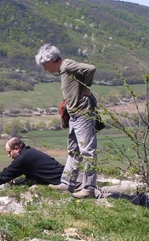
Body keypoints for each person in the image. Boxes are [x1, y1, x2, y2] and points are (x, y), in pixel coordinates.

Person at [35, 44, 98, 198]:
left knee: (87, 151)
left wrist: (86, 87)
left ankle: (88, 189)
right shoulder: (64, 69)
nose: (44, 69)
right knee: (74, 151)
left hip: (82, 114)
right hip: (75, 115)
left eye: (44, 65)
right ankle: (67, 184)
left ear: (50, 61)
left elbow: (91, 68)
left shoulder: (68, 65)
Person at [0, 137, 65, 200]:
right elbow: (33, 178)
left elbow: (5, 174)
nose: (9, 155)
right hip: (65, 175)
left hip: (61, 181)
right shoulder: (29, 152)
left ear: (16, 148)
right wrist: (15, 182)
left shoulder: (23, 159)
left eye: (9, 152)